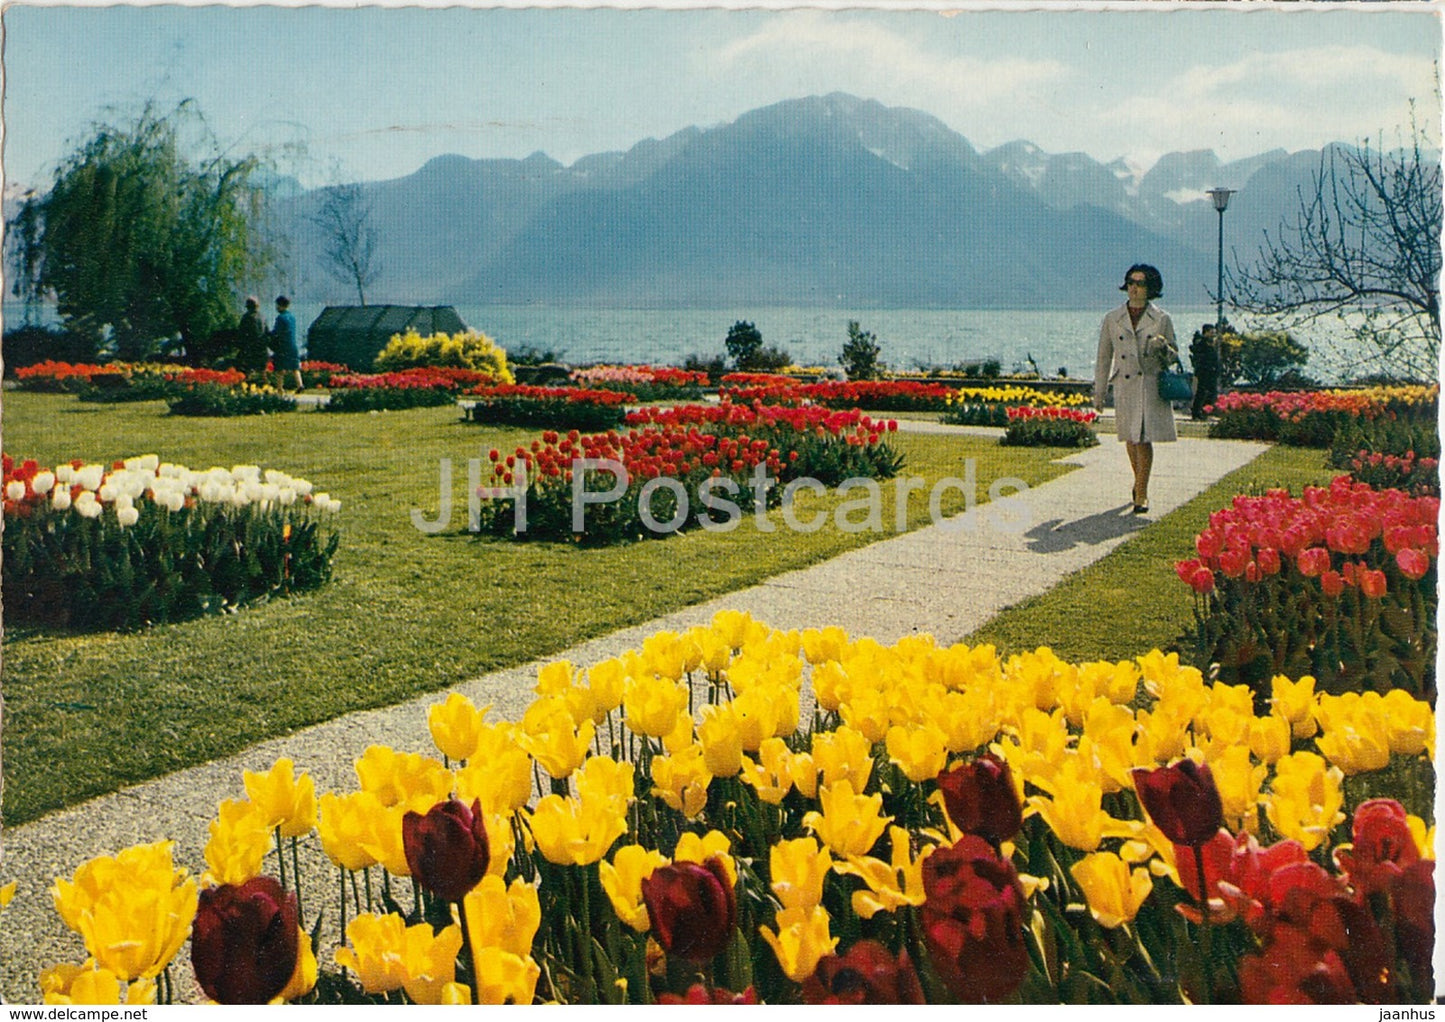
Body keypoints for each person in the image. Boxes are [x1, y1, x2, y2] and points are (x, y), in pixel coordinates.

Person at [1094, 264, 1178, 514]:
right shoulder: (1112, 318)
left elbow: (1174, 356)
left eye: (1140, 283)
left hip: (1149, 384)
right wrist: (1099, 392)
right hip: (1125, 384)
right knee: (1130, 437)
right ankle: (1139, 483)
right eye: (1131, 282)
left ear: (1151, 288)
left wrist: (1163, 347)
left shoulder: (1162, 319)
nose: (1134, 288)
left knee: (1143, 438)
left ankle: (1141, 493)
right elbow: (1103, 357)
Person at [270, 295, 303, 391]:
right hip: (292, 345)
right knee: (294, 367)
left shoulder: (280, 318)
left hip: (282, 346)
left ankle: (280, 388)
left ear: (280, 305)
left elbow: (276, 333)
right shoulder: (292, 317)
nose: (276, 307)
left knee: (279, 368)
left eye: (277, 305)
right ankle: (300, 384)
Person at [1189, 323, 1221, 420]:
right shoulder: (1201, 344)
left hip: (1212, 373)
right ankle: (1197, 412)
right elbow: (1200, 357)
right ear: (1205, 333)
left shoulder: (1211, 344)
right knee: (1201, 392)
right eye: (1211, 332)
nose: (1213, 335)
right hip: (1204, 372)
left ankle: (1205, 411)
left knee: (1211, 393)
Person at [235, 296, 269, 375]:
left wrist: (239, 345)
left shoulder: (246, 317)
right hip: (262, 349)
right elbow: (267, 332)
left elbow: (241, 333)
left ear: (248, 307)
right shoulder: (263, 317)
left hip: (250, 349)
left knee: (242, 366)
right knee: (262, 371)